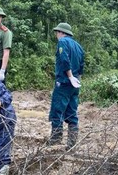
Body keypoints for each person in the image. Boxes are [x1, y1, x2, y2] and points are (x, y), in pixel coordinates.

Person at [48, 22, 85, 150]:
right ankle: (72, 143)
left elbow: (64, 60)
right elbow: (81, 66)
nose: (56, 35)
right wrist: (77, 80)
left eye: (57, 32)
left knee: (57, 110)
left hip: (64, 82)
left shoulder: (62, 42)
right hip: (75, 85)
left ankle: (56, 141)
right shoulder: (79, 46)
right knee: (72, 112)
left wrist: (69, 76)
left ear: (61, 32)